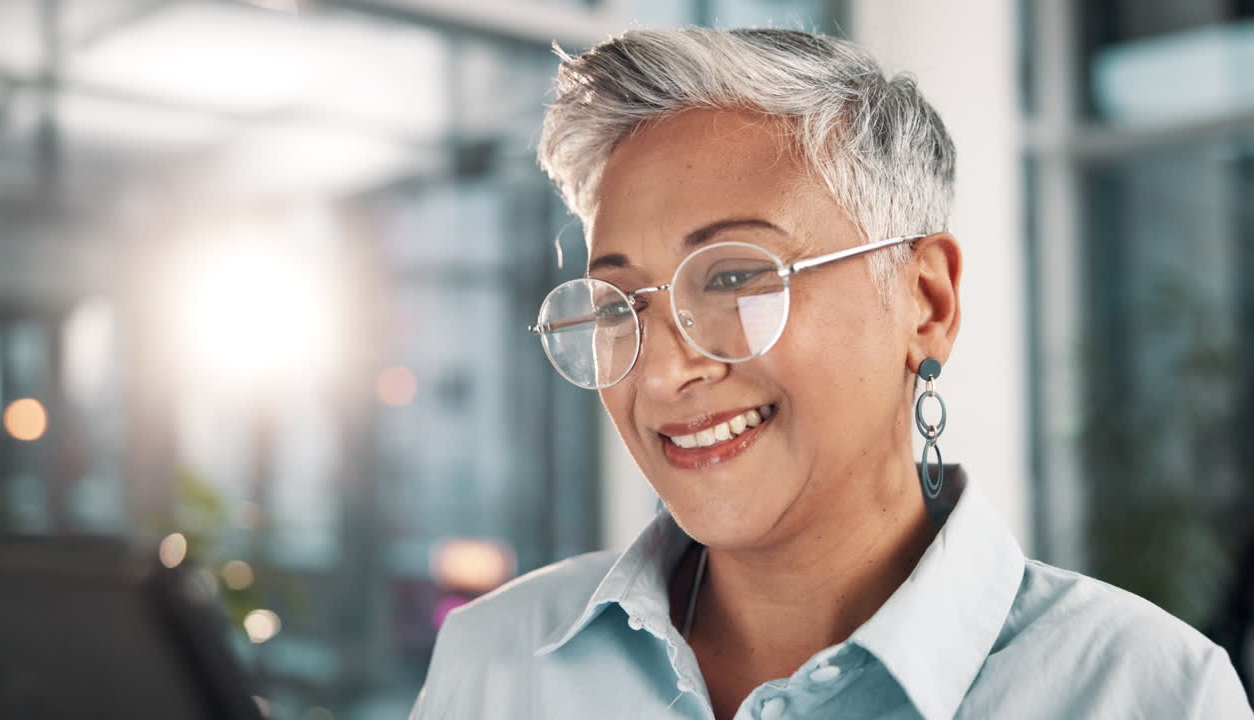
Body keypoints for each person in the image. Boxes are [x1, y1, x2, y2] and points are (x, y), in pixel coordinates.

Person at [410, 28, 1252, 719]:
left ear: (925, 302)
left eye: (734, 278)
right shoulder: (498, 663)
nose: (661, 373)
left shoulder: (1149, 694)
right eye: (618, 305)